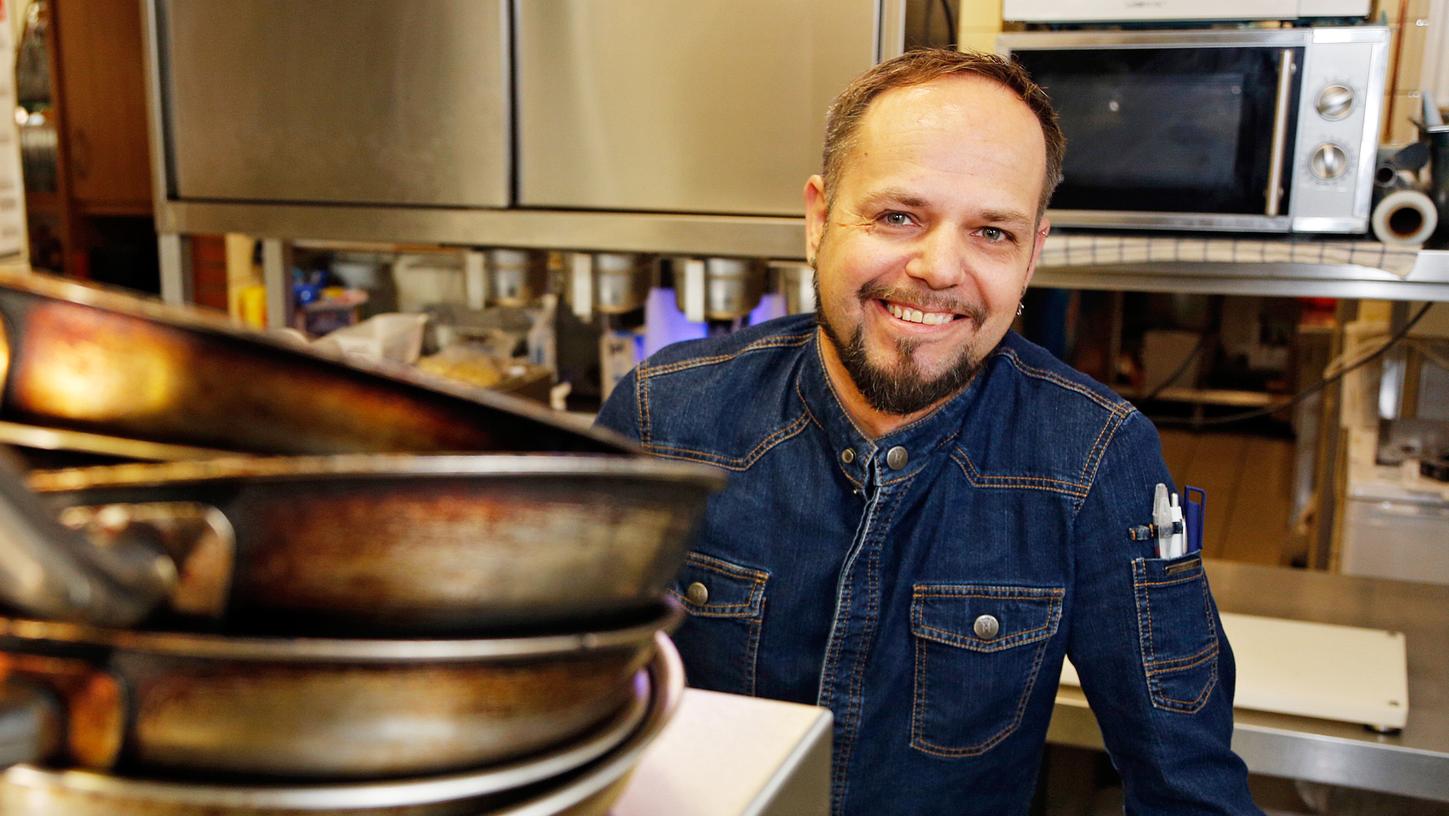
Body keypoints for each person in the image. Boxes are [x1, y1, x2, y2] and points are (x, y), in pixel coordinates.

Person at [597, 48, 1261, 815]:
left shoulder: (1095, 456)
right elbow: (556, 703)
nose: (939, 269)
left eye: (991, 233)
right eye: (897, 216)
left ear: (1032, 254)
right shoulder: (663, 415)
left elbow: (1186, 783)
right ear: (818, 220)